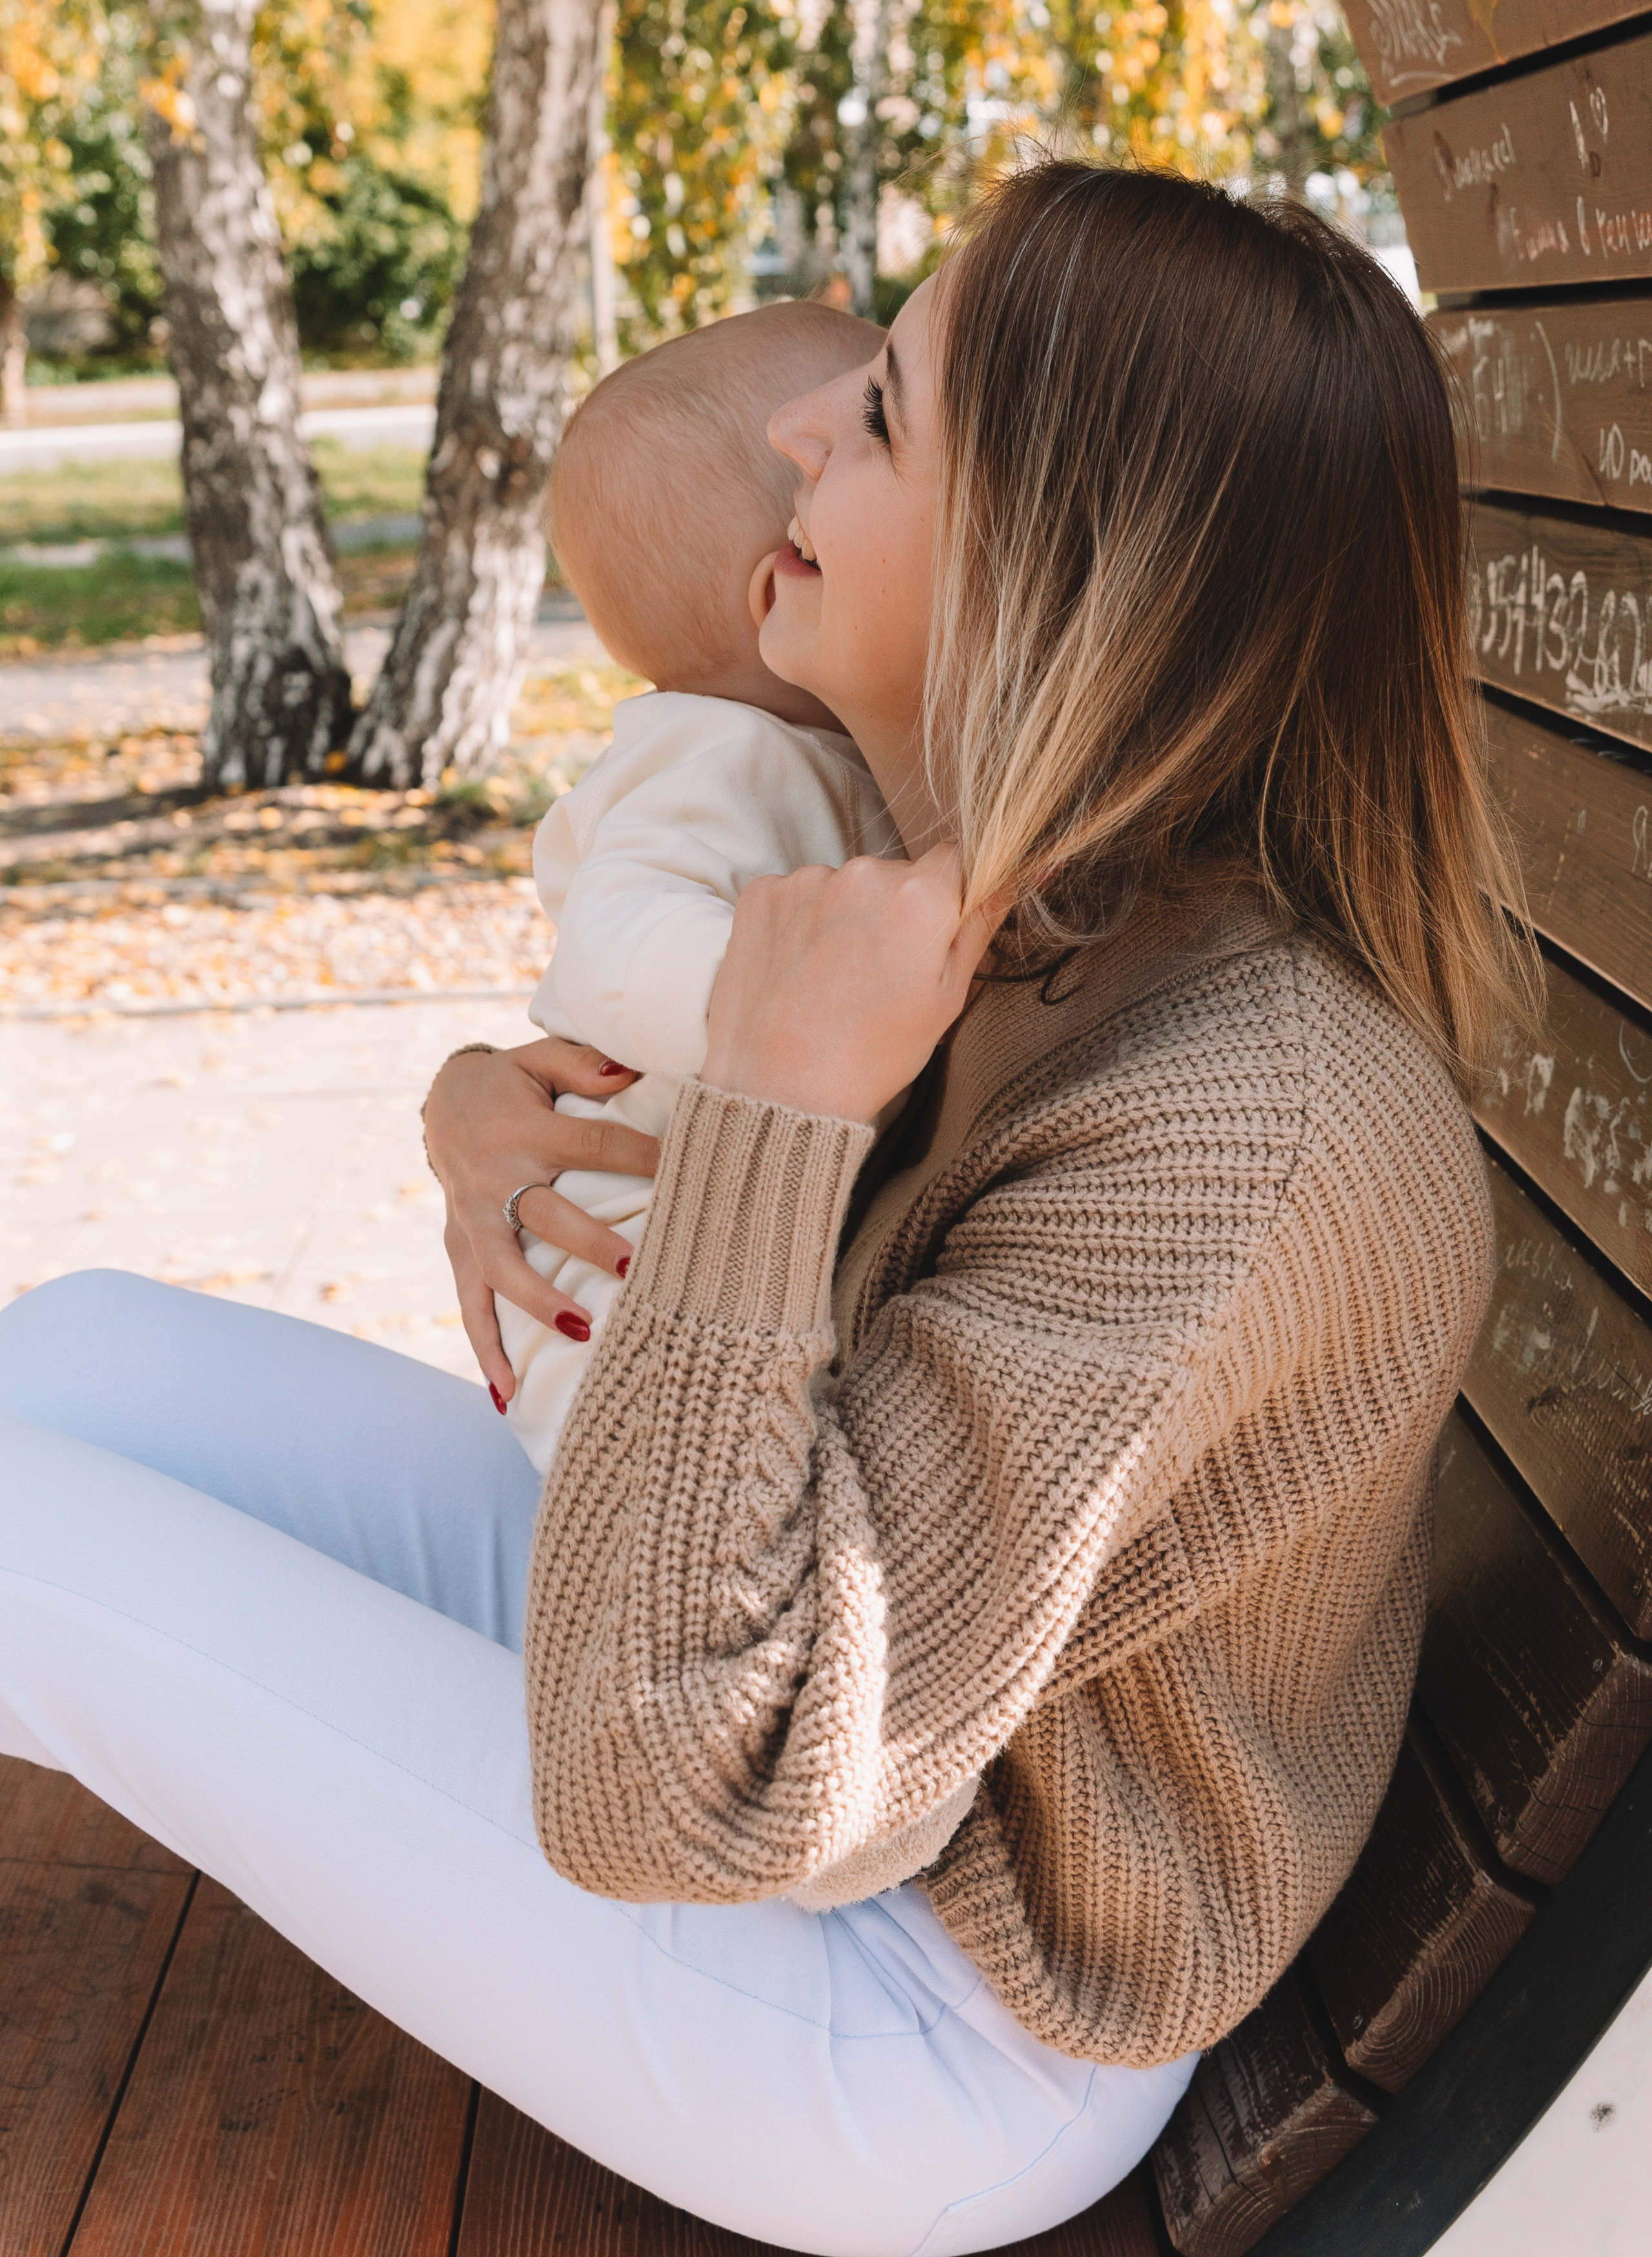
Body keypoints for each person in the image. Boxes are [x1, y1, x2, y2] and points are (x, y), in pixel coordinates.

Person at [0, 159, 1528, 2257]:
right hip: (805, 1745)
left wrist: (786, 1116)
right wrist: (478, 1118)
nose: (799, 433)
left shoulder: (1245, 1116)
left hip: (925, 2013)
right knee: (65, 1348)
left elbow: (705, 1793)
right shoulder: (1048, 903)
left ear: (1056, 557)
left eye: (883, 415)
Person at [494, 303, 898, 1476]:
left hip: (688, 1268)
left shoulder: (791, 752)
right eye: (882, 420)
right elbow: (610, 950)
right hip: (611, 1279)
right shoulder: (724, 755)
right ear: (792, 577)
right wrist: (819, 1015)